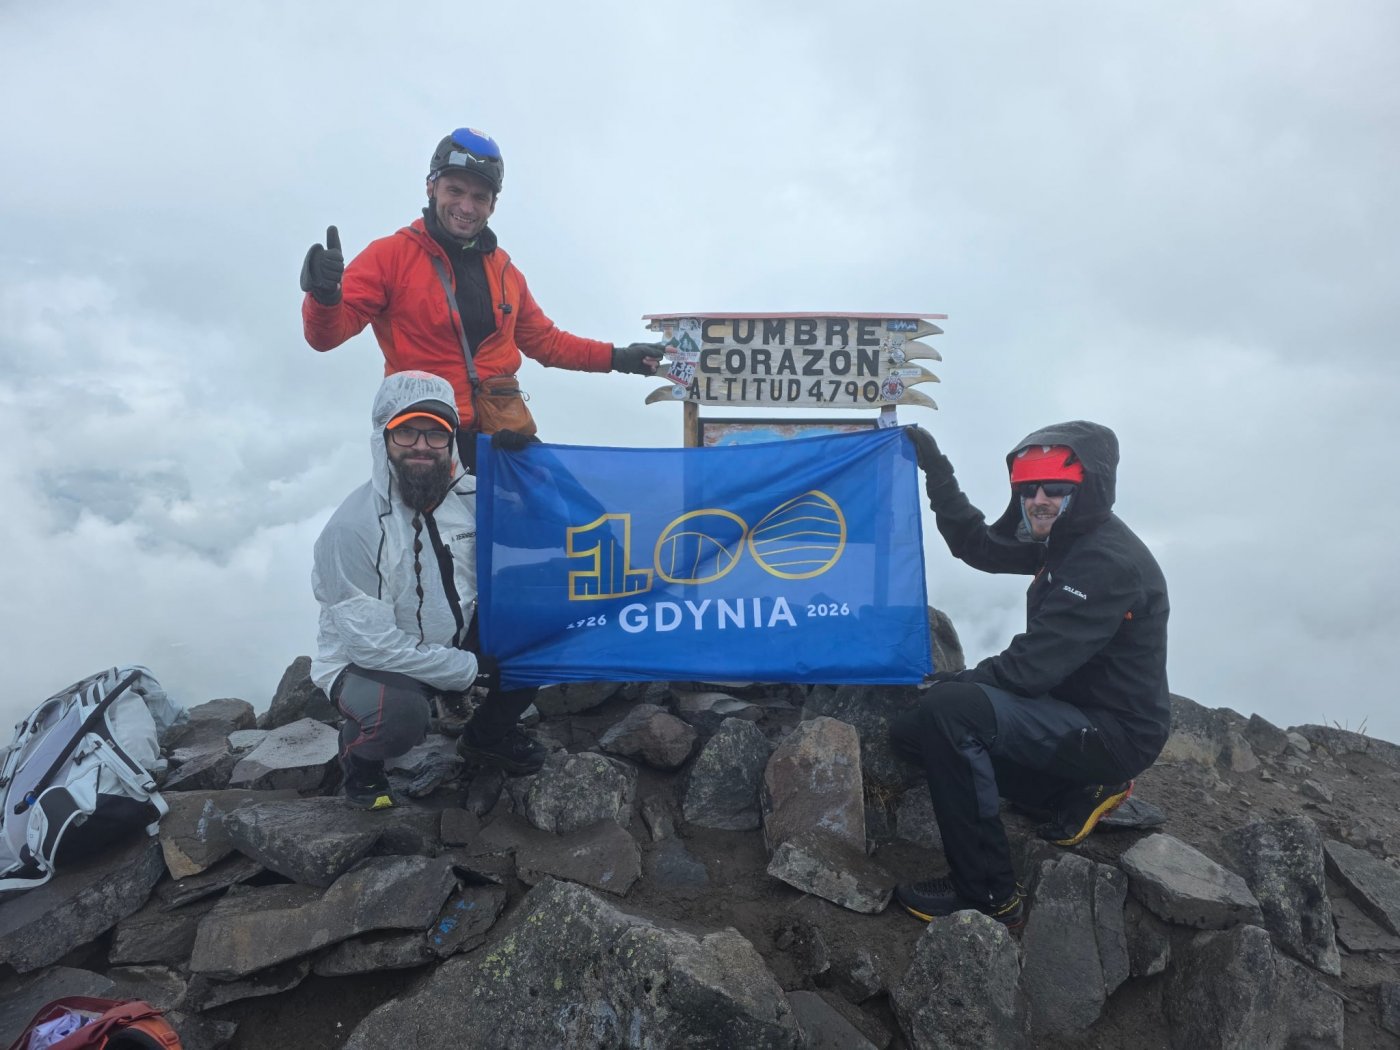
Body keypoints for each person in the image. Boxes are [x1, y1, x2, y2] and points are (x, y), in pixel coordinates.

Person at [890, 421, 1169, 927]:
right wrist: (935, 467)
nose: (1038, 499)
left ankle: (987, 893)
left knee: (948, 715)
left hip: (1115, 732)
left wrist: (954, 684)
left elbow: (1027, 670)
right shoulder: (1063, 536)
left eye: (1055, 489)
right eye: (1028, 489)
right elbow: (978, 546)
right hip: (1070, 711)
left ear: (1085, 490)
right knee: (912, 733)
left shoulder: (1105, 562)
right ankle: (1071, 793)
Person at [299, 126, 666, 471]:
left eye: (480, 197)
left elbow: (546, 342)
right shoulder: (390, 256)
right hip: (426, 439)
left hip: (501, 434)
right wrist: (325, 295)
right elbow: (325, 337)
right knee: (439, 541)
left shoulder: (504, 270)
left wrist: (619, 358)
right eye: (455, 191)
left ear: (493, 204)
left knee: (572, 522)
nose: (467, 206)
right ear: (431, 187)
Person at [311, 370, 547, 810]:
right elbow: (371, 647)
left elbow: (549, 520)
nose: (422, 445)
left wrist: (532, 469)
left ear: (452, 441)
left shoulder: (478, 498)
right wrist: (470, 669)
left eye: (436, 434)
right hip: (367, 662)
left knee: (537, 634)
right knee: (400, 717)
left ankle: (486, 739)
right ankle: (360, 759)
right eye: (407, 431)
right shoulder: (353, 528)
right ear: (384, 438)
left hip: (454, 640)